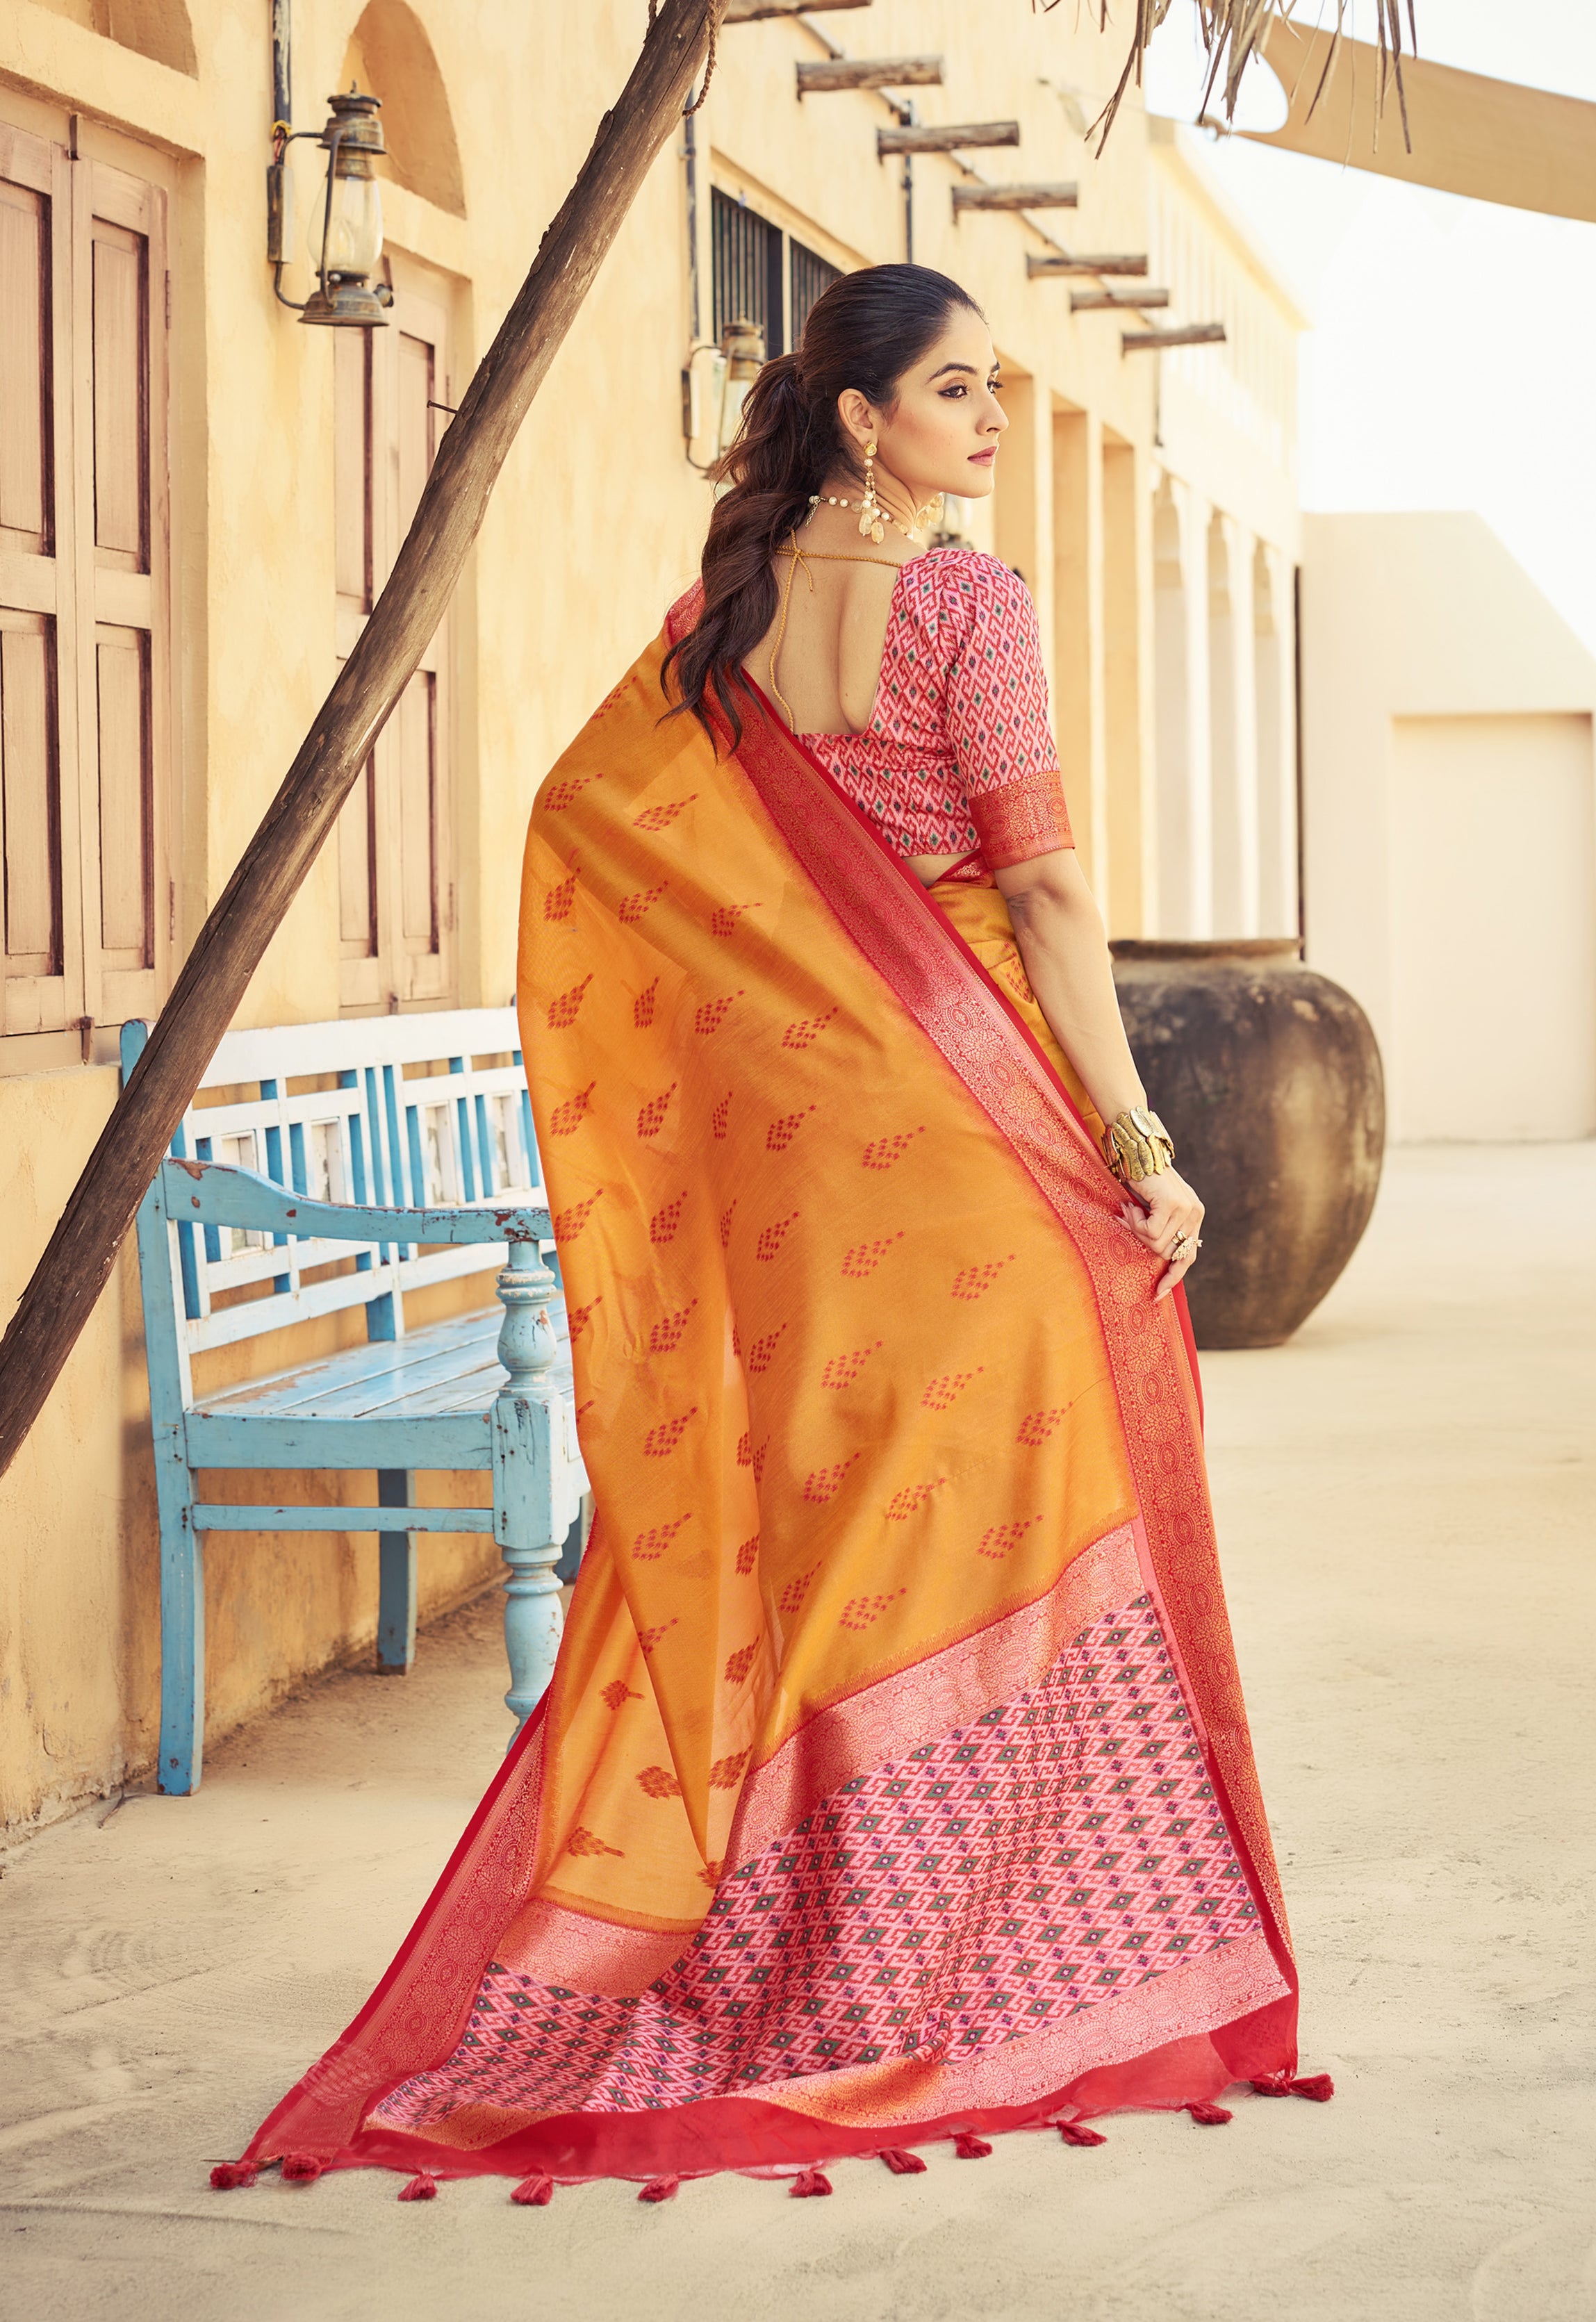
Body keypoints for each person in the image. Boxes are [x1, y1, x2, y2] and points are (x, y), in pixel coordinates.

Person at [235, 264, 1319, 2204]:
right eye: (960, 394)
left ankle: (785, 1959)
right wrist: (1138, 1137)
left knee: (825, 1541)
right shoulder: (967, 603)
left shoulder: (714, 633)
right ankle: (940, 1963)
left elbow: (590, 836)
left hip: (801, 1184)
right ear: (859, 416)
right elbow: (1050, 895)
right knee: (991, 1519)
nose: (990, 425)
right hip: (962, 1147)